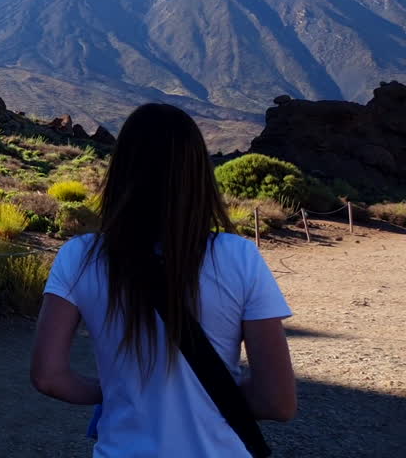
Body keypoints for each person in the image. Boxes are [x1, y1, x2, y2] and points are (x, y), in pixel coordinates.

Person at [30, 103, 296, 457]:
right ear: (198, 171)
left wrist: (118, 390)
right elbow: (277, 402)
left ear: (121, 168)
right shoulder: (238, 256)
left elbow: (48, 377)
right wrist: (211, 396)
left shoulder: (80, 256)